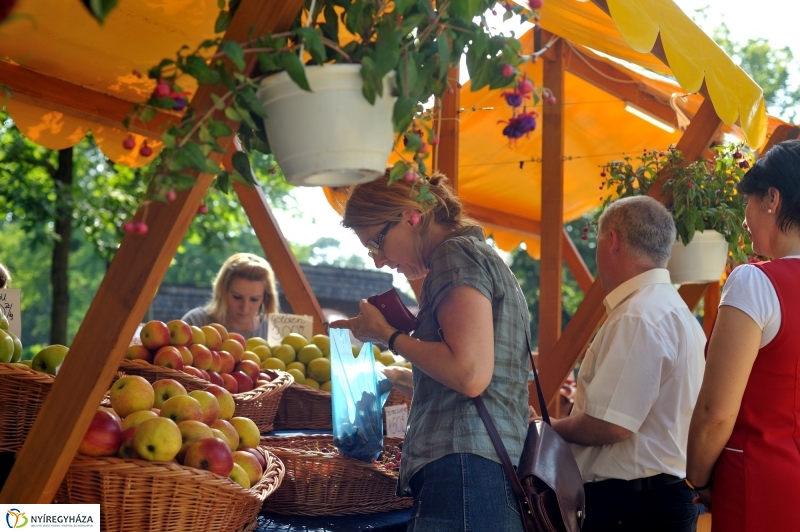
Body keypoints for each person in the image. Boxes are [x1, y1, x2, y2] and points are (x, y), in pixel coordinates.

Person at [330, 173, 530, 532]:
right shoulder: (479, 256)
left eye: (377, 242)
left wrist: (387, 335)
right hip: (480, 470)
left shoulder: (454, 256)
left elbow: (469, 375)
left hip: (465, 470)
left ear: (411, 216)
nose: (379, 260)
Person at [550, 196, 706, 531]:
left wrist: (548, 427)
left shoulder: (639, 314)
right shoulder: (675, 312)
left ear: (613, 241)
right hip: (657, 499)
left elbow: (612, 425)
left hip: (633, 507)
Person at [686, 140, 800, 531]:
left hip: (758, 482)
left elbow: (715, 413)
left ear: (772, 198)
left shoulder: (755, 281)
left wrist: (697, 479)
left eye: (747, 202)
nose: (744, 218)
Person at [181, 252, 278, 339]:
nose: (244, 308)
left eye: (254, 299)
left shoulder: (273, 331)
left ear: (266, 298)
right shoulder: (195, 322)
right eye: (237, 297)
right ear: (223, 291)